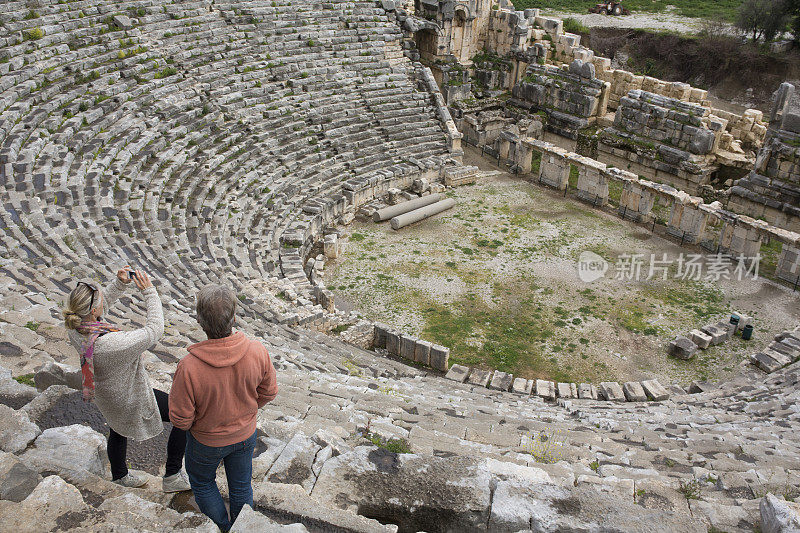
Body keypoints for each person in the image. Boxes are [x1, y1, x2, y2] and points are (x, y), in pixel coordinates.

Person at [63, 267, 191, 492]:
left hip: (106, 394)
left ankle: (120, 476)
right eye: (100, 297)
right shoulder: (113, 344)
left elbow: (102, 307)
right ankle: (172, 475)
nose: (104, 297)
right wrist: (150, 291)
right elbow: (154, 329)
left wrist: (120, 284)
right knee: (184, 414)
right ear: (93, 310)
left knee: (117, 427)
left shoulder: (76, 327)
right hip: (127, 396)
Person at [169, 284, 278, 531]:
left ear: (199, 321)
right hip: (245, 435)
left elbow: (181, 420)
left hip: (206, 442)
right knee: (241, 486)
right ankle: (242, 528)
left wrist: (205, 423)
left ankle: (222, 527)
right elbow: (269, 392)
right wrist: (248, 410)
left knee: (203, 482)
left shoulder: (188, 367)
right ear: (234, 318)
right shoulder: (257, 351)